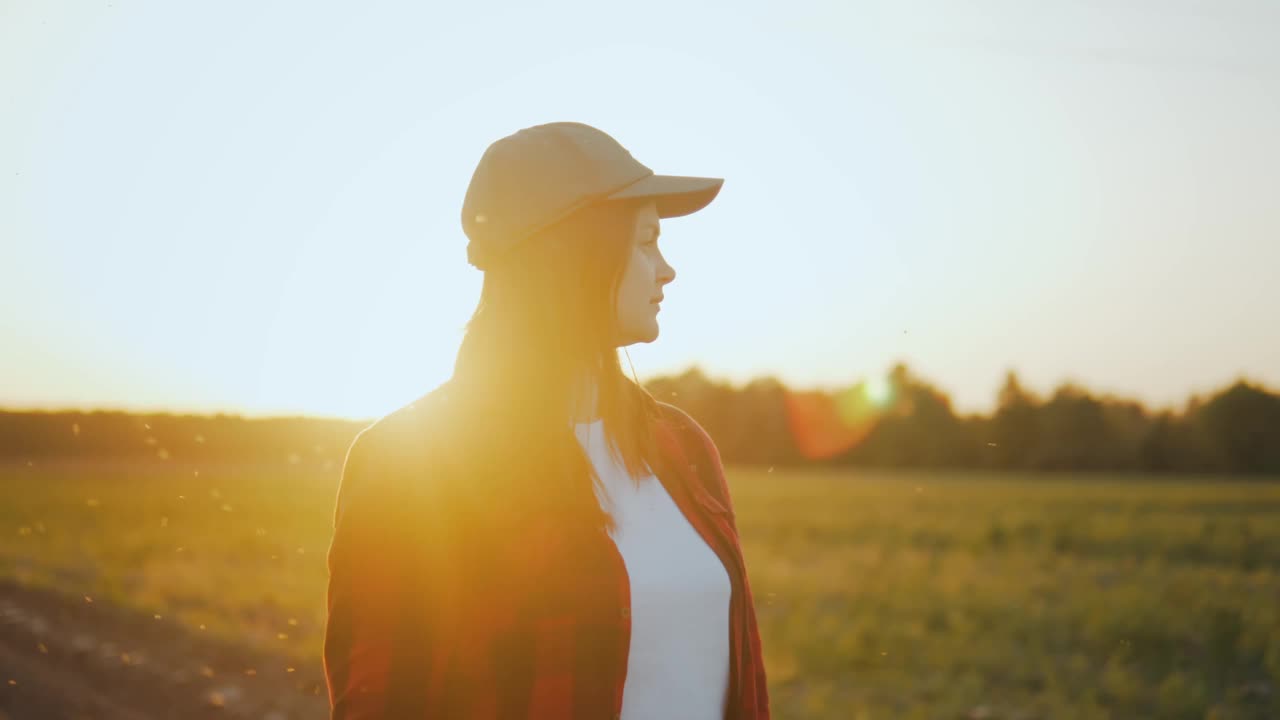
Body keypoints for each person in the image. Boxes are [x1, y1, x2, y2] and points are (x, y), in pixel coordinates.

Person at [322, 121, 771, 719]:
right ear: (570, 254)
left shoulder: (681, 447)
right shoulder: (413, 463)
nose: (667, 270)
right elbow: (382, 702)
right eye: (645, 242)